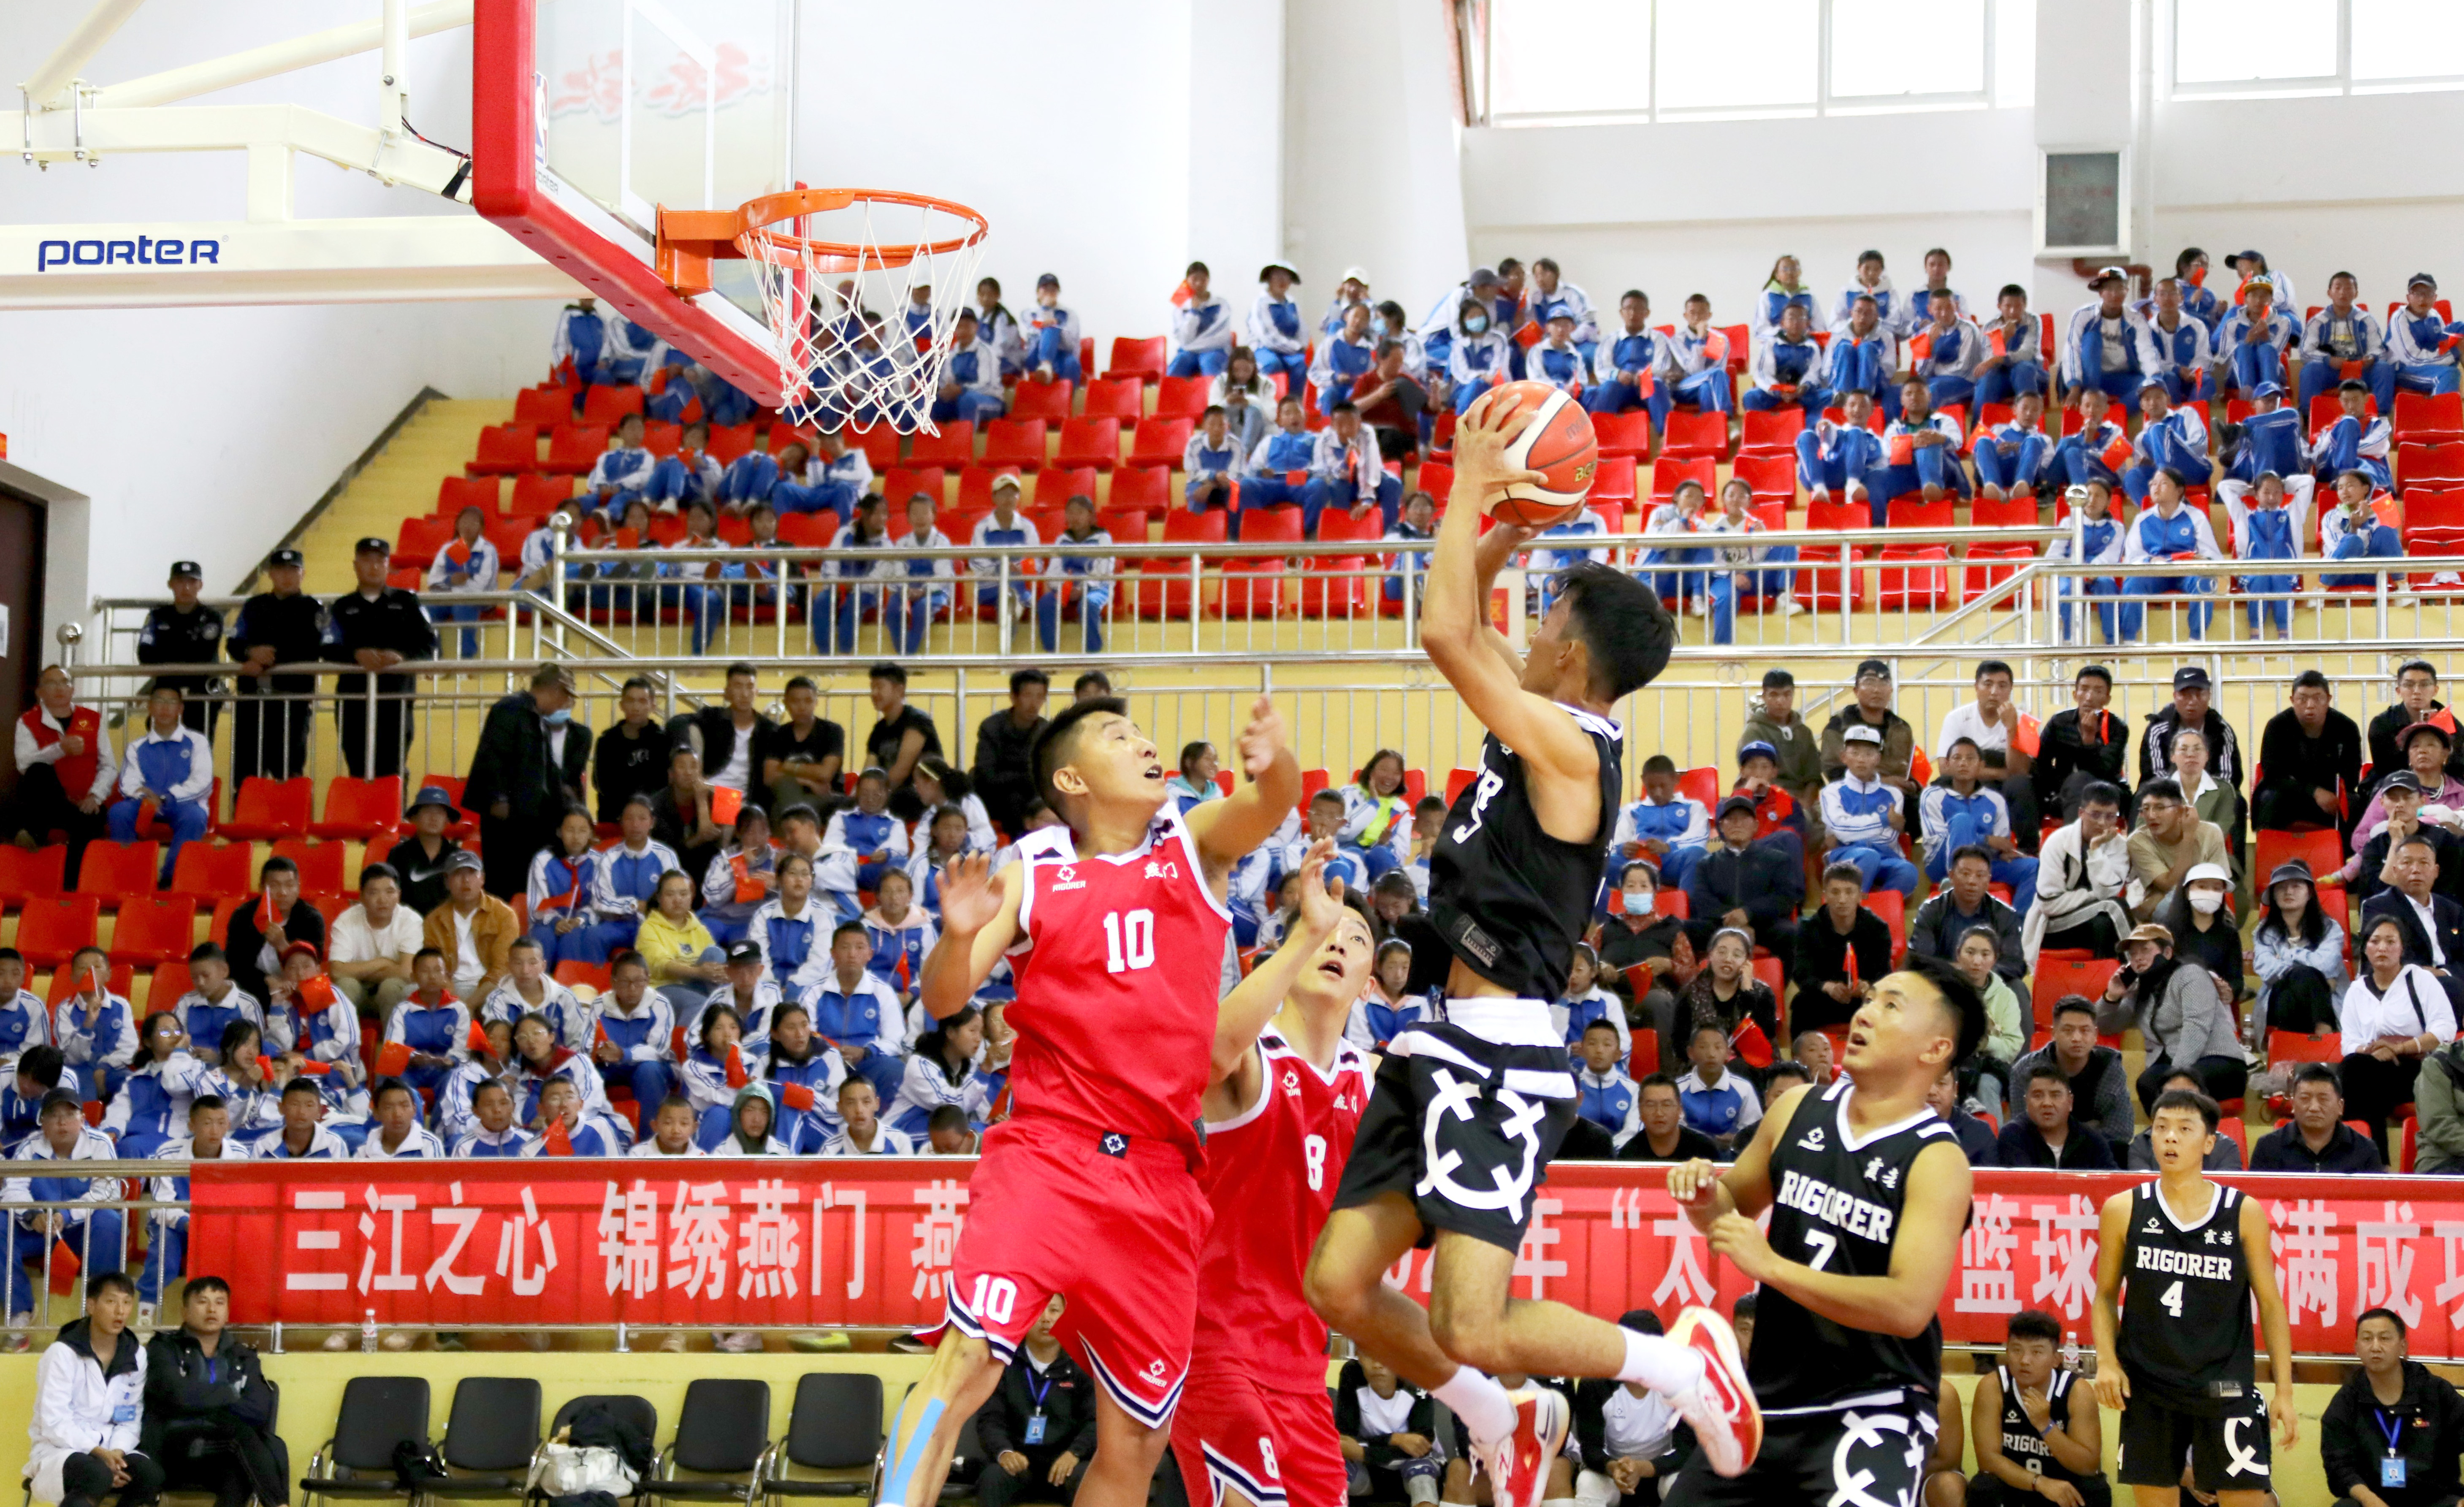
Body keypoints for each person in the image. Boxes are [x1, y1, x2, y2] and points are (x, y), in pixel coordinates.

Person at [878, 685, 1299, 1507]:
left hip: (1158, 1178)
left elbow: (1270, 802)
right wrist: (958, 938)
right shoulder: (1030, 869)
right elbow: (943, 996)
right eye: (1117, 735)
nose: (1144, 744)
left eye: (1140, 733)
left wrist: (1275, 761)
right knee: (964, 1364)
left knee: (1137, 1440)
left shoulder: (1189, 841)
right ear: (1071, 781)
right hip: (1048, 1156)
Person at [1656, 953, 1982, 1506]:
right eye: (1870, 998)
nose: (1865, 1012)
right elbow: (1731, 1209)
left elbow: (1907, 1307)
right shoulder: (1796, 1108)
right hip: (1768, 1401)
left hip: (1875, 1404)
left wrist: (1771, 1267)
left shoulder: (1937, 1160)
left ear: (1935, 1049)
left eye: (1891, 1006)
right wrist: (1705, 1199)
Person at [1169, 853, 1374, 1507]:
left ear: (1369, 986)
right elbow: (1207, 1054)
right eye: (1322, 932)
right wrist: (1299, 939)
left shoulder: (1373, 1082)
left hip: (1305, 1370)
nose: (1337, 943)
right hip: (1216, 1350)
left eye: (1355, 938)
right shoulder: (1253, 1058)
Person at [2092, 1087, 2296, 1507]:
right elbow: (2104, 1295)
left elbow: (2271, 1304)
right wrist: (2107, 1362)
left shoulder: (2243, 1212)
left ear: (2208, 1143)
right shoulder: (2121, 1209)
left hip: (2223, 1385)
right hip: (2149, 1384)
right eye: (2161, 1127)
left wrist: (2285, 1392)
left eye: (2184, 1129)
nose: (2170, 1137)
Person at [140, 1275, 287, 1507]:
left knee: (243, 1469)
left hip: (221, 1454)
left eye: (219, 1302)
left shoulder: (243, 1357)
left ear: (227, 1311)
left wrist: (204, 1403)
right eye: (202, 1302)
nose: (212, 1309)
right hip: (173, 1451)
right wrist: (230, 1395)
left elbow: (259, 1410)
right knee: (242, 1436)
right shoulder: (164, 1349)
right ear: (185, 1311)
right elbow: (178, 1395)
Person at [26, 1271, 160, 1507]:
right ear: (91, 1306)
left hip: (112, 1448)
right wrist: (99, 1454)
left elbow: (130, 1417)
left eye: (127, 1303)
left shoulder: (136, 1355)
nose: (120, 1311)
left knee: (150, 1476)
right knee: (96, 1475)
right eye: (111, 1302)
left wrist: (116, 1453)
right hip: (61, 1449)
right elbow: (54, 1422)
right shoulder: (62, 1353)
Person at [5, 1093, 125, 1335]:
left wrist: (67, 1215)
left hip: (82, 1229)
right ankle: (20, 1310)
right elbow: (13, 1189)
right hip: (39, 1231)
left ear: (83, 1119)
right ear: (42, 1123)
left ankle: (102, 1311)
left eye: (70, 1115)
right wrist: (32, 1216)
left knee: (110, 1221)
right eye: (54, 1116)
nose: (62, 1123)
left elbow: (107, 1191)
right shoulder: (29, 1146)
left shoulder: (100, 1143)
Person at [464, 664, 585, 901]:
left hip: (529, 818)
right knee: (504, 885)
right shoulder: (511, 710)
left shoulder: (537, 719)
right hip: (509, 819)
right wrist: (498, 799)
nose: (566, 704)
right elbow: (493, 756)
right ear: (557, 690)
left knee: (526, 884)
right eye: (566, 696)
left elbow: (547, 773)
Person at [2320, 1307, 2464, 1507]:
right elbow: (2339, 1467)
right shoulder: (2346, 1401)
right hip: (2374, 1500)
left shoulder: (2435, 1391)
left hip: (2435, 1498)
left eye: (2385, 1338)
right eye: (2367, 1339)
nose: (2375, 1347)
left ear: (2403, 1347)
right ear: (2357, 1348)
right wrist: (2370, 1501)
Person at [2341, 909, 2458, 1151]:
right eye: (2375, 941)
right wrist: (2375, 1051)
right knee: (2358, 1069)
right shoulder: (2356, 990)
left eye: (2390, 942)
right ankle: (2374, 1157)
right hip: (2371, 1066)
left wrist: (2399, 1048)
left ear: (2402, 948)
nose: (2382, 948)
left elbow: (2446, 1028)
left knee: (2358, 1076)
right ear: (2365, 949)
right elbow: (2348, 1043)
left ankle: (2368, 1157)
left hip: (2419, 1068)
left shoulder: (2421, 980)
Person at [1964, 1309, 2106, 1507]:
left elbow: (2088, 1466)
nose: (2025, 1360)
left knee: (2094, 1489)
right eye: (2017, 1350)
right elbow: (1988, 1460)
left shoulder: (2076, 1391)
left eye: (2037, 1352)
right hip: (2017, 1485)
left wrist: (2046, 1426)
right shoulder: (1993, 1386)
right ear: (2007, 1352)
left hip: (2063, 1487)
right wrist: (2039, 1483)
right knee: (1984, 1487)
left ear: (2056, 1359)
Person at [2095, 923, 2243, 1110]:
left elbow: (2196, 1027)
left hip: (2219, 1060)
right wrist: (2112, 997)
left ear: (2167, 953)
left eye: (2145, 950)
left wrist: (2177, 1075)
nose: (2138, 958)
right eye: (2132, 954)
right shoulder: (2141, 990)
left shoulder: (2191, 975)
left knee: (2172, 1085)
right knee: (2147, 1082)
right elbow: (2106, 1027)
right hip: (2176, 1063)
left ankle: (2188, 1125)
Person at [323, 536, 435, 780]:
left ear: (388, 566)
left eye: (380, 561)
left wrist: (402, 657)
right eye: (367, 561)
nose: (374, 567)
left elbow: (428, 643)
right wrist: (356, 655)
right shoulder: (341, 607)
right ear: (355, 566)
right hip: (354, 701)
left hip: (396, 699)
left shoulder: (408, 602)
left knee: (393, 771)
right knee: (358, 770)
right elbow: (327, 647)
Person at [971, 1296, 1096, 1507]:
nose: (1046, 1319)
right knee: (993, 1478)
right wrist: (1005, 1452)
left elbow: (1096, 1421)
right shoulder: (1003, 1363)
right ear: (1024, 1316)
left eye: (1054, 1311)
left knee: (1088, 1479)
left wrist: (1075, 1453)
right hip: (1021, 1463)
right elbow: (990, 1419)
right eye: (1038, 1311)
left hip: (1066, 1464)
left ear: (1066, 1317)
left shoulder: (1083, 1364)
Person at [224, 549, 325, 792]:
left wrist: (267, 658)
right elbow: (234, 642)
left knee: (288, 774)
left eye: (293, 570)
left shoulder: (313, 608)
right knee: (247, 777)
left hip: (292, 702)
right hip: (252, 701)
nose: (287, 576)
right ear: (271, 574)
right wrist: (250, 652)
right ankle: (246, 817)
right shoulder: (254, 606)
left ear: (303, 574)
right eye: (281, 570)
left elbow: (314, 647)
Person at [4, 667, 115, 887]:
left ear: (73, 689)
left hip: (85, 803)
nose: (59, 688)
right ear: (40, 692)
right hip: (48, 803)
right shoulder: (27, 721)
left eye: (65, 683)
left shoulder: (93, 719)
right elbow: (25, 765)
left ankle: (69, 889)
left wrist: (95, 796)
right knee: (38, 770)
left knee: (87, 821)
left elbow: (109, 766)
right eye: (52, 683)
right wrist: (60, 749)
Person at [107, 686, 213, 885]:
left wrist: (165, 798)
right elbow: (128, 783)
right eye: (159, 701)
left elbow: (203, 781)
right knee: (119, 813)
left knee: (195, 817)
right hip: (145, 803)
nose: (165, 707)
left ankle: (171, 879)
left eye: (171, 702)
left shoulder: (197, 742)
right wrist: (145, 797)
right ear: (150, 707)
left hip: (182, 803)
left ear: (180, 709)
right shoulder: (137, 747)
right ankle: (131, 878)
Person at [1683, 798, 1802, 970]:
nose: (1737, 824)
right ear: (1721, 826)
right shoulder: (1706, 864)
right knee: (1681, 930)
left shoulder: (1778, 860)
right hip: (1720, 925)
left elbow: (1784, 898)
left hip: (1762, 926)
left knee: (1790, 933)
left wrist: (1748, 914)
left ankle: (1778, 984)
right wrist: (1734, 923)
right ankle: (1695, 982)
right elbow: (1702, 901)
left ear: (1755, 826)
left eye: (1744, 819)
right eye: (1731, 819)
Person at [1921, 747, 2037, 912]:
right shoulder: (1933, 795)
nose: (1963, 763)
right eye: (1957, 758)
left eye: (1970, 759)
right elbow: (1936, 839)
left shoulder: (1995, 799)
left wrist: (2005, 851)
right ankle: (1955, 884)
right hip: (1942, 863)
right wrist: (1986, 840)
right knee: (1962, 821)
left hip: (1984, 861)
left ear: (1981, 766)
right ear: (1947, 765)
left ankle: (2018, 923)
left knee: (2034, 866)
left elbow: (2001, 842)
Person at [2025, 783, 2131, 963]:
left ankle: (2109, 978)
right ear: (2081, 813)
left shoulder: (2119, 846)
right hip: (2052, 926)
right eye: (2095, 815)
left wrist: (2095, 850)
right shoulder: (2057, 842)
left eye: (2110, 817)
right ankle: (2137, 971)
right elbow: (2049, 904)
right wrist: (2092, 897)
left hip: (2094, 921)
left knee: (2105, 923)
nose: (2102, 823)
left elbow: (2106, 892)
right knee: (2114, 907)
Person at [2255, 670, 2364, 833]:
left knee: (2354, 803)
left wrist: (2331, 794)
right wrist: (2313, 792)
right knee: (2269, 798)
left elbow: (2351, 776)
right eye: (2303, 699)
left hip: (2330, 795)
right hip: (2288, 795)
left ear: (2328, 700)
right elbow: (2272, 774)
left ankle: (2348, 849)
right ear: (2292, 700)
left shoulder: (2346, 728)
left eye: (2318, 699)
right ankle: (2268, 847)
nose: (2310, 705)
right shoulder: (2277, 726)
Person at [1792, 864, 1892, 1035]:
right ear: (1825, 896)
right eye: (1835, 892)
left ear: (1860, 896)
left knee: (1888, 1005)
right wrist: (1827, 987)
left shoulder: (1878, 929)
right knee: (1801, 1003)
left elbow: (1884, 974)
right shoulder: (1809, 928)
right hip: (1825, 998)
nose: (1842, 900)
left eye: (1849, 892)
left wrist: (1867, 987)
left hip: (1864, 1000)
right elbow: (1801, 973)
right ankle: (1803, 1051)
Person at [1820, 727, 1917, 899]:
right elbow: (1840, 829)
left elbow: (1888, 838)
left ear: (1878, 759)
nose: (1861, 759)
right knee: (1868, 856)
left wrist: (1851, 834)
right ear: (1844, 757)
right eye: (1855, 753)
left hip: (1885, 856)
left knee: (1908, 871)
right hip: (1844, 856)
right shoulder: (1831, 792)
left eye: (1868, 754)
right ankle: (1855, 907)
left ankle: (1878, 907)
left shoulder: (1894, 794)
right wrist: (1884, 820)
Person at [1334, 1355, 1442, 1507]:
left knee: (1422, 1473)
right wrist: (1395, 1439)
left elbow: (1421, 1446)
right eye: (1369, 1355)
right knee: (1335, 1472)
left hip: (1411, 1467)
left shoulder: (1419, 1374)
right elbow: (1345, 1442)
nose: (1378, 1365)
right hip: (1367, 1471)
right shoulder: (1352, 1373)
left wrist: (1362, 1451)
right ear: (1360, 1356)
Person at [135, 561, 225, 739]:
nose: (186, 588)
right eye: (180, 581)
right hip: (166, 691)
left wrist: (167, 653)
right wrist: (185, 649)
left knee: (199, 745)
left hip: (201, 694)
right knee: (162, 744)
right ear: (171, 584)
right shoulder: (157, 616)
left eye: (192, 582)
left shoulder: (212, 617)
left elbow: (203, 655)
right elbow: (145, 655)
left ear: (200, 585)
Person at [223, 856, 326, 1010]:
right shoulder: (243, 916)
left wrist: (283, 946)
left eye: (290, 885)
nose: (283, 892)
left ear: (298, 888)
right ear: (261, 888)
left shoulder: (311, 918)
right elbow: (235, 964)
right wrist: (268, 980)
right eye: (275, 886)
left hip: (298, 984)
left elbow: (311, 967)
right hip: (255, 984)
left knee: (319, 989)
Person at [1909, 848, 2025, 983]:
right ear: (1952, 876)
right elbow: (1920, 959)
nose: (1972, 881)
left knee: (2018, 986)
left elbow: (2015, 964)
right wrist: (1962, 972)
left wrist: (1980, 974)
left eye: (1980, 876)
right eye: (1965, 874)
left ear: (1988, 880)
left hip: (1989, 984)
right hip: (1943, 983)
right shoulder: (1931, 910)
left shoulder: (2005, 915)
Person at [2248, 1061, 2384, 1173]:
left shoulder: (2365, 1150)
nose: (2314, 1108)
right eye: (2305, 1098)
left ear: (2340, 1106)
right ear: (2293, 1104)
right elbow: (2255, 1196)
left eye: (2323, 1099)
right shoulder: (2268, 1147)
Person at [2127, 778, 2231, 921]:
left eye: (2160, 808)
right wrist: (2189, 836)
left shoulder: (2210, 833)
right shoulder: (2138, 841)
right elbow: (2169, 885)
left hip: (2206, 900)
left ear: (2181, 810)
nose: (2151, 815)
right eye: (2146, 809)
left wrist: (2158, 896)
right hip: (2167, 910)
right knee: (2169, 907)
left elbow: (2216, 885)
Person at [325, 863, 420, 1019]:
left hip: (394, 991)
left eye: (390, 892)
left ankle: (393, 1035)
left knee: (391, 987)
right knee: (346, 985)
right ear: (362, 897)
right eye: (374, 893)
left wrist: (360, 972)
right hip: (359, 990)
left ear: (399, 895)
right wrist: (382, 963)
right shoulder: (346, 921)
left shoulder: (410, 921)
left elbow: (407, 972)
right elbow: (337, 971)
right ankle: (344, 1035)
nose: (382, 900)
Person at [2034, 667, 2129, 822]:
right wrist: (2058, 785)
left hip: (2106, 791)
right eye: (2084, 690)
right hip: (2063, 792)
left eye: (2098, 691)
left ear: (2107, 699)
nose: (2089, 698)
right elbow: (2041, 762)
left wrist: (2088, 740)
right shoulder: (2059, 722)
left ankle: (2076, 836)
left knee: (2080, 779)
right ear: (2075, 694)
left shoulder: (2118, 728)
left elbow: (2106, 771)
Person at [423, 850, 518, 1003]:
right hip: (450, 987)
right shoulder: (434, 920)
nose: (466, 880)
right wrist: (453, 999)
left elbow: (501, 970)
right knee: (410, 992)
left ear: (483, 879)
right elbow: (434, 968)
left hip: (491, 986)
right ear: (447, 881)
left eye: (472, 873)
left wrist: (470, 1005)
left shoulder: (504, 915)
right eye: (458, 874)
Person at [1993, 1062, 2117, 1169]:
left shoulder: (2092, 1140)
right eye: (2038, 1096)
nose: (2047, 1103)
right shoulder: (2013, 1135)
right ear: (2026, 1102)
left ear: (2070, 1102)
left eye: (2056, 1095)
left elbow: (2112, 1183)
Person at [972, 670, 1049, 840]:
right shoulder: (991, 727)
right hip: (995, 797)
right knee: (1013, 799)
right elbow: (987, 775)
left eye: (1040, 696)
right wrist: (1024, 778)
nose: (1034, 704)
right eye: (1028, 695)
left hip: (1031, 796)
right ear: (1014, 697)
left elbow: (1045, 776)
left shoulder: (1046, 731)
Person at [1672, 1022, 1760, 1153]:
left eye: (1718, 1047)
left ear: (1728, 1053)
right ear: (1691, 1053)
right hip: (1689, 1158)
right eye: (1703, 1047)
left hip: (1733, 1159)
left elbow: (1755, 1133)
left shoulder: (1744, 1089)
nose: (1711, 1054)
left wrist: (1736, 1140)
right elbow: (1673, 1132)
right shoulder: (1678, 1089)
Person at [593, 678, 668, 825]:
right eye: (631, 701)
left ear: (653, 705)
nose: (636, 707)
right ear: (622, 705)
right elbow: (603, 785)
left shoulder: (662, 741)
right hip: (614, 818)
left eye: (642, 701)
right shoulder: (607, 741)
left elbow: (663, 785)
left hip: (652, 819)